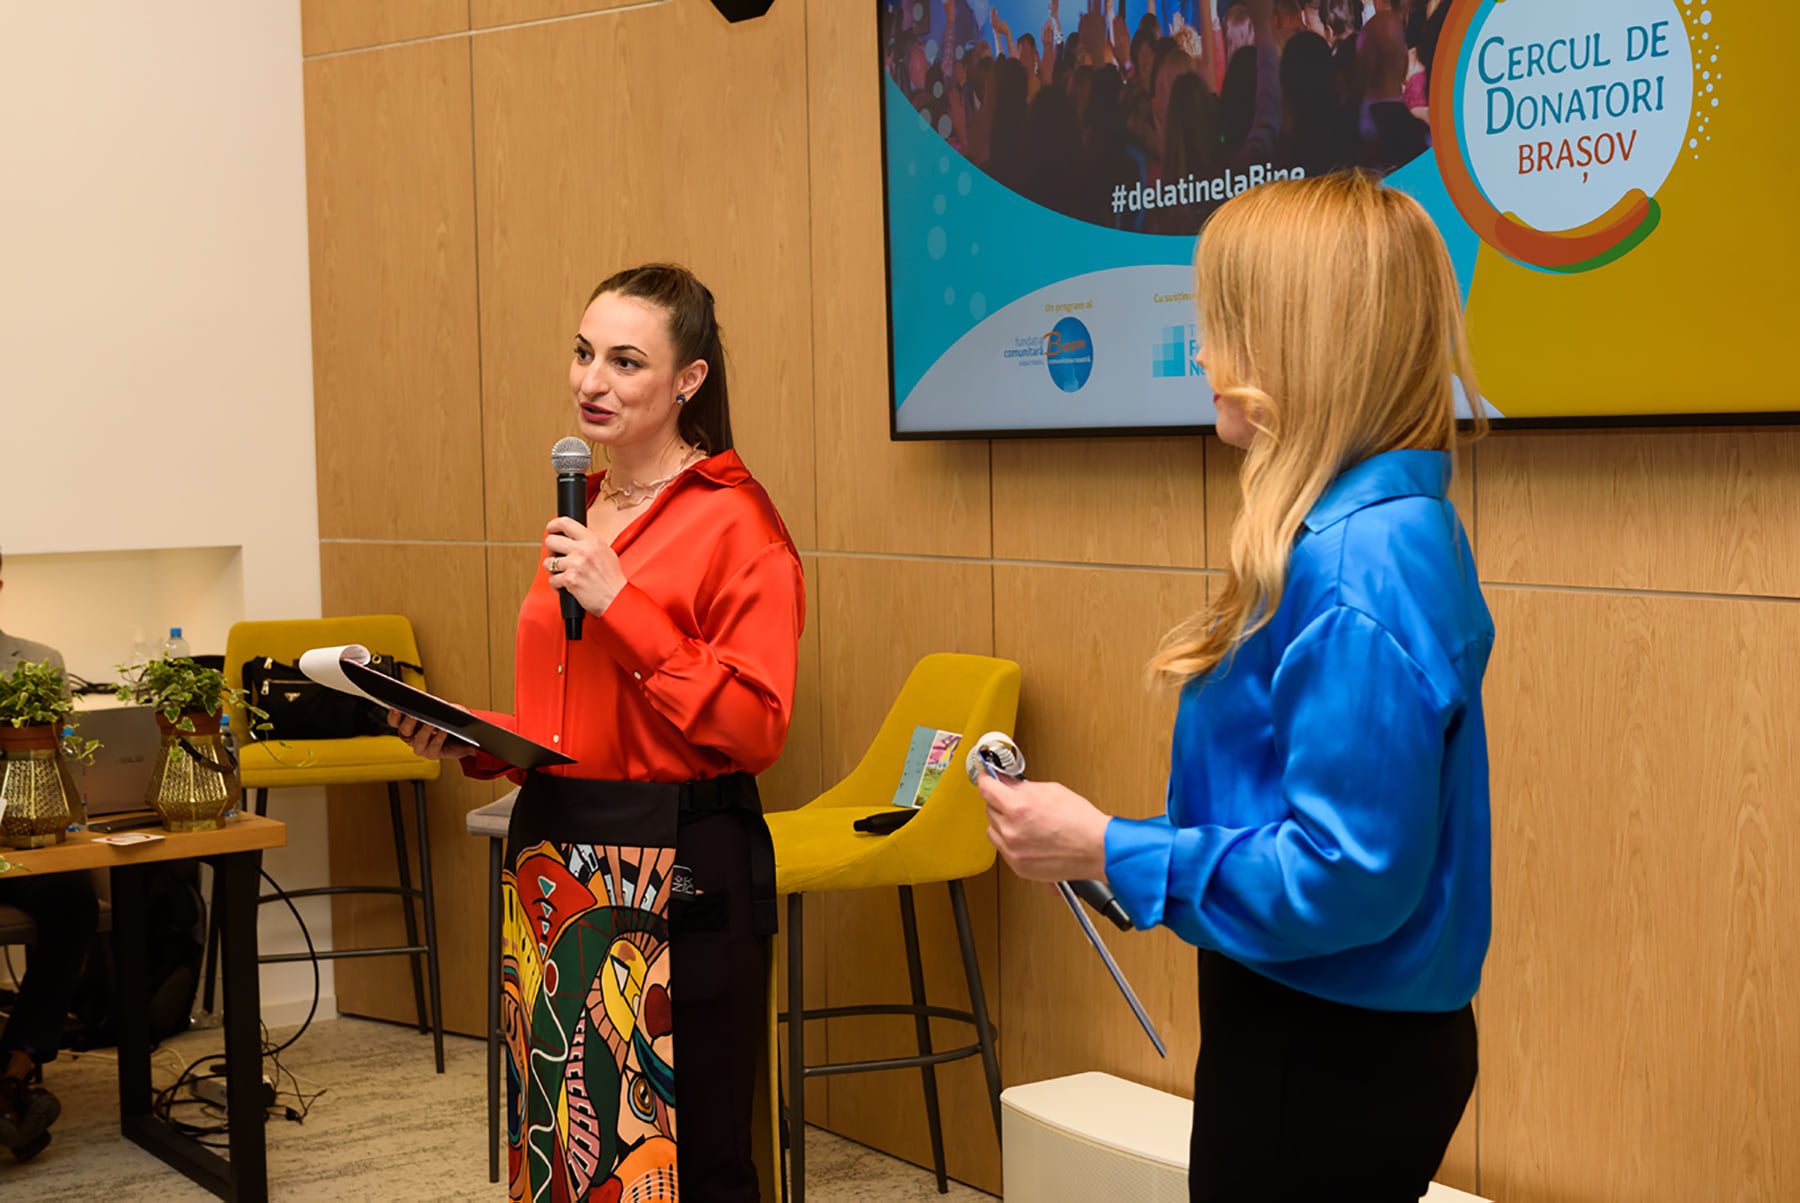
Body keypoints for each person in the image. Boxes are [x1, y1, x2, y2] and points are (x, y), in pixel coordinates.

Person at [976, 172, 1492, 1202]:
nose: (1204, 355)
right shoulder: (1374, 532)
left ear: (1301, 341)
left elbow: (1344, 877)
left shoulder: (1354, 566)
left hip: (1326, 1052)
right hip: (1328, 1035)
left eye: (1224, 325)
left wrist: (1108, 848)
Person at [393, 265, 803, 1202]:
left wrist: (623, 603)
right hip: (557, 862)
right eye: (584, 353)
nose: (592, 381)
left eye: (625, 361)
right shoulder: (587, 508)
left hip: (676, 861)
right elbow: (575, 714)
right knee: (567, 1154)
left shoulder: (737, 521)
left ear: (689, 380)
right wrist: (473, 736)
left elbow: (756, 727)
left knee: (683, 1160)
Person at [0, 550, 98, 1163]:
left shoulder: (39, 662)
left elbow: (59, 757)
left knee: (74, 901)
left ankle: (16, 1064)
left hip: (25, 837)